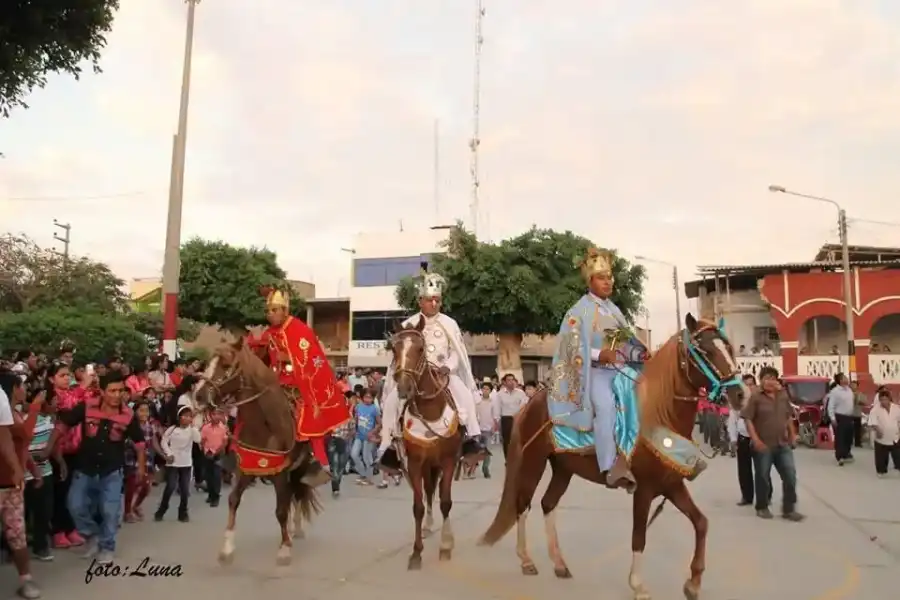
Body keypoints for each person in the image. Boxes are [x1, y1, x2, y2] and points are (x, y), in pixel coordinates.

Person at [546, 247, 650, 491]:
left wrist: (640, 353)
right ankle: (610, 466)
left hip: (621, 370)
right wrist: (598, 354)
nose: (608, 282)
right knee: (606, 409)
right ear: (590, 280)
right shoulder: (577, 312)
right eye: (602, 278)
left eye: (610, 277)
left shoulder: (614, 311)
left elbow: (626, 342)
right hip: (595, 374)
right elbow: (569, 347)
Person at [378, 268, 487, 463]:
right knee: (392, 401)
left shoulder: (450, 323)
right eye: (430, 300)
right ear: (420, 301)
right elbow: (401, 353)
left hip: (443, 374)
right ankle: (389, 446)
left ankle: (473, 439)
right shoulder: (409, 324)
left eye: (437, 300)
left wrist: (448, 368)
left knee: (465, 395)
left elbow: (457, 352)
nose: (434, 303)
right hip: (414, 376)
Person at [254, 287, 351, 482]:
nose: (270, 315)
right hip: (276, 382)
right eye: (268, 311)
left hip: (300, 384)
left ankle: (319, 462)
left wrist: (287, 358)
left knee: (306, 414)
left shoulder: (298, 329)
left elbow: (310, 357)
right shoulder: (269, 332)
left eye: (274, 310)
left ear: (284, 310)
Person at [51, 371, 146, 564]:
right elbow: (63, 425)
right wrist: (48, 448)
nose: (117, 395)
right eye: (112, 390)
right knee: (75, 505)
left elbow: (140, 443)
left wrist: (141, 468)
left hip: (111, 470)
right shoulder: (86, 407)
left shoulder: (128, 415)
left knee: (110, 511)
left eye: (120, 391)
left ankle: (106, 547)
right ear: (102, 391)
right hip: (84, 468)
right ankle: (91, 535)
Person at [742, 366, 804, 521]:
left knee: (790, 476)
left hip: (782, 444)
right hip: (763, 445)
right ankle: (762, 507)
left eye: (773, 378)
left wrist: (793, 435)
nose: (770, 381)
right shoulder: (755, 397)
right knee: (762, 476)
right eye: (766, 378)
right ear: (761, 380)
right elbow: (748, 419)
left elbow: (788, 417)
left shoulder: (783, 396)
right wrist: (755, 440)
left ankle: (789, 509)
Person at [156, 406, 201, 522]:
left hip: (186, 463)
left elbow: (198, 440)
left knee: (185, 489)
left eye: (189, 416)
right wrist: (169, 453)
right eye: (184, 415)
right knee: (170, 486)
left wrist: (193, 426)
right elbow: (164, 441)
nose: (187, 418)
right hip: (173, 463)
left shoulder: (191, 430)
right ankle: (162, 509)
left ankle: (183, 512)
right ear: (179, 417)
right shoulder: (172, 429)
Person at [491, 374, 527, 460]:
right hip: (506, 419)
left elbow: (524, 406)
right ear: (504, 382)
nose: (511, 382)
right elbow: (497, 408)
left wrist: (520, 417)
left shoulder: (520, 393)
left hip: (518, 419)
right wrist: (497, 421)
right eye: (509, 380)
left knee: (518, 440)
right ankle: (508, 459)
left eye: (512, 380)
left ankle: (518, 458)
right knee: (507, 441)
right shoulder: (500, 394)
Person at [866, 388, 900, 477]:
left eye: (885, 399)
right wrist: (878, 430)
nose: (884, 401)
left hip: (895, 436)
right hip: (881, 437)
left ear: (889, 399)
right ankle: (881, 471)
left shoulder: (896, 408)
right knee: (881, 456)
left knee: (897, 454)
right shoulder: (875, 409)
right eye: (882, 400)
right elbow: (872, 422)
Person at [200, 408, 229, 506]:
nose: (216, 416)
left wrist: (216, 452)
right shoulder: (205, 428)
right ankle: (210, 494)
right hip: (207, 453)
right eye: (214, 414)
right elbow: (203, 441)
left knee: (216, 476)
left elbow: (224, 443)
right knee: (208, 476)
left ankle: (215, 497)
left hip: (218, 454)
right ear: (210, 415)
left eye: (218, 414)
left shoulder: (223, 428)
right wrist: (205, 451)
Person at [826, 373, 855, 465]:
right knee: (840, 438)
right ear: (840, 380)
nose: (847, 379)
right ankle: (840, 457)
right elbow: (831, 406)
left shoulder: (849, 390)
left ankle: (847, 453)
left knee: (848, 437)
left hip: (849, 417)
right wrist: (833, 418)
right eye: (845, 378)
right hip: (840, 417)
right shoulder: (835, 392)